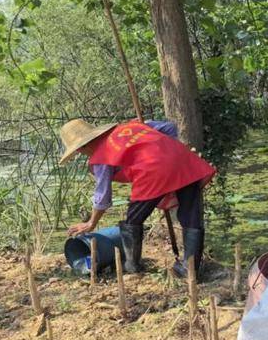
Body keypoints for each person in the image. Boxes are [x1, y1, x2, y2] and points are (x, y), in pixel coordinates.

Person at [58, 118, 216, 276]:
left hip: (152, 170)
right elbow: (169, 127)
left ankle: (133, 266)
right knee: (190, 216)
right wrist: (166, 151)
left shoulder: (101, 156)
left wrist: (91, 223)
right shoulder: (131, 126)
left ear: (82, 147)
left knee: (133, 220)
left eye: (79, 151)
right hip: (183, 158)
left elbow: (103, 195)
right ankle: (190, 270)